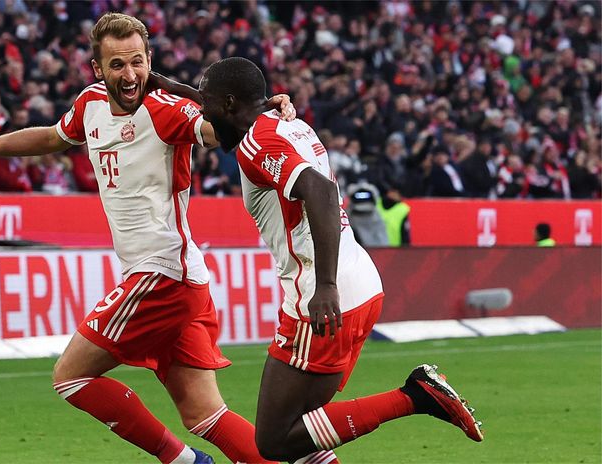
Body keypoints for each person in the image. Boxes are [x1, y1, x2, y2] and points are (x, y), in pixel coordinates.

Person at [0, 13, 296, 464]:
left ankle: (185, 462)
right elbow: (53, 137)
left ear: (150, 61)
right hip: (181, 279)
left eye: (137, 62)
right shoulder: (90, 104)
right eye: (117, 65)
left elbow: (224, 130)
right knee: (204, 415)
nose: (129, 74)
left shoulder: (167, 110)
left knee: (70, 376)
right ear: (99, 69)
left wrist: (260, 112)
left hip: (162, 275)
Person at [186, 57, 483, 463]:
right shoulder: (288, 123)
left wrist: (324, 285)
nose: (202, 112)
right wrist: (154, 82)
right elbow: (218, 103)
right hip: (359, 281)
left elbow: (321, 192)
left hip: (323, 290)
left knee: (273, 440)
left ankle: (415, 396)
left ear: (232, 104)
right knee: (306, 430)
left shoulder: (259, 140)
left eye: (208, 104)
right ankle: (416, 395)